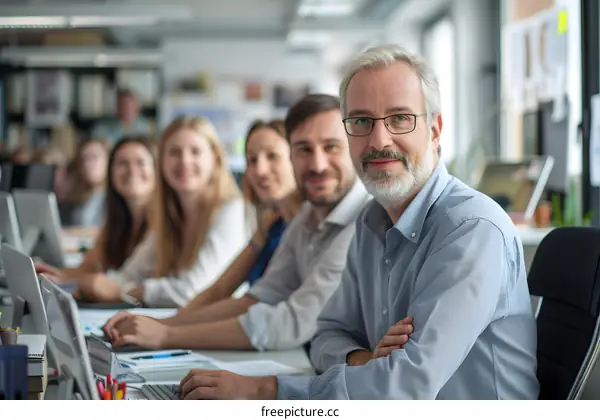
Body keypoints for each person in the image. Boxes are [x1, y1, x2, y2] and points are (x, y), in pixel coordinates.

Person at [176, 44, 540, 400]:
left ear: (434, 129)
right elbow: (325, 337)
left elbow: (403, 388)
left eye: (400, 118)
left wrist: (264, 391)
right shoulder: (371, 221)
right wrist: (364, 361)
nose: (379, 140)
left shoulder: (471, 229)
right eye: (361, 121)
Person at [102, 93, 371, 352]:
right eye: (303, 149)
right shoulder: (302, 218)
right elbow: (259, 298)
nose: (318, 164)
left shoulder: (363, 220)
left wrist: (167, 334)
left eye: (331, 147)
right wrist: (159, 325)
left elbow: (292, 322)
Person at [75, 116, 249, 308]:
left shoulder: (230, 210)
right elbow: (129, 274)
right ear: (162, 162)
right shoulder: (171, 215)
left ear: (215, 159)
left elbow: (194, 291)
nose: (184, 160)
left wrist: (125, 291)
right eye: (174, 152)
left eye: (195, 151)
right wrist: (97, 284)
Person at [175, 119, 302, 312]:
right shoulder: (271, 225)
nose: (259, 170)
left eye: (272, 156)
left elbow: (251, 305)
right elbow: (218, 290)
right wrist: (167, 324)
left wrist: (167, 330)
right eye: (252, 160)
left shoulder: (309, 226)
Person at [36, 136, 156, 280]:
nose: (131, 170)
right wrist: (51, 274)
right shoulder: (116, 220)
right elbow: (89, 267)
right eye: (122, 163)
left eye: (141, 163)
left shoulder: (161, 222)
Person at [59, 138, 110, 228]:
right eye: (83, 160)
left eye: (94, 157)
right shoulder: (78, 197)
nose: (87, 164)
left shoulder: (115, 197)